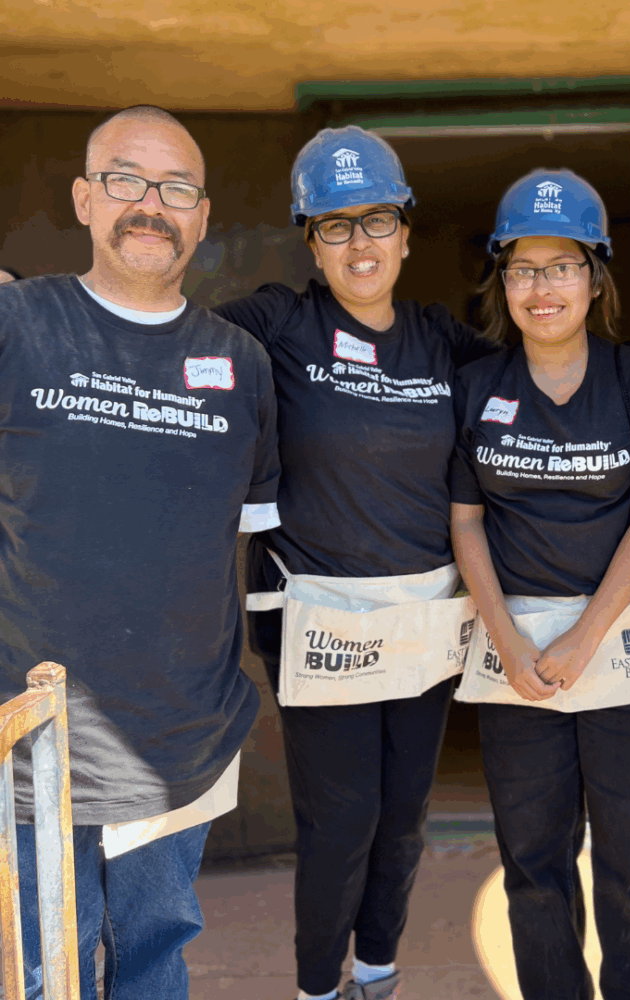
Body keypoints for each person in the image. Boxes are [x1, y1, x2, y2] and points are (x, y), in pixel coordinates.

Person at [0, 105, 280, 1000]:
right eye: (125, 180)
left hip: (183, 738)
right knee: (48, 966)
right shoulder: (19, 325)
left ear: (202, 216)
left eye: (175, 189)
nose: (149, 206)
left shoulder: (240, 363)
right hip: (38, 742)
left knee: (156, 960)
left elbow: (244, 541)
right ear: (85, 199)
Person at [214, 125, 493, 1000]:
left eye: (376, 220)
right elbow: (165, 344)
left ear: (407, 232)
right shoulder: (278, 322)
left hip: (422, 618)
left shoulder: (440, 340)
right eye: (335, 225)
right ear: (310, 240)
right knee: (340, 823)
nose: (359, 243)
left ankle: (377, 970)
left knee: (402, 819)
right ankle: (317, 988)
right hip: (319, 619)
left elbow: (547, 389)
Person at [450, 168, 630, 1000]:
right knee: (535, 865)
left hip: (620, 652)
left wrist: (585, 636)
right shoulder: (478, 385)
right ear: (501, 281)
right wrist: (509, 642)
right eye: (522, 268)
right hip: (515, 662)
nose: (541, 287)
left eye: (561, 266)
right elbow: (467, 521)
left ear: (595, 278)